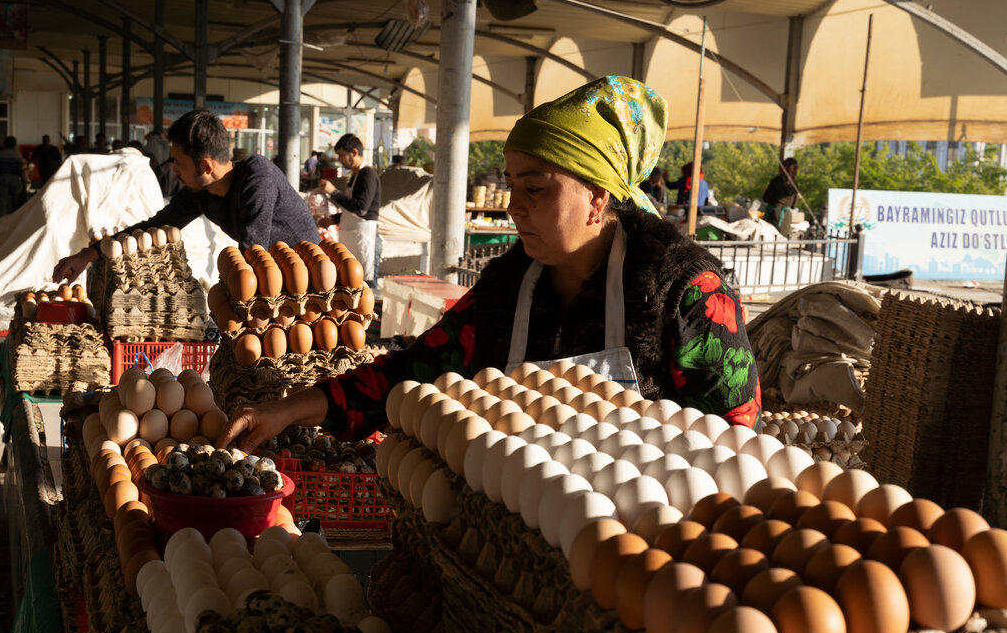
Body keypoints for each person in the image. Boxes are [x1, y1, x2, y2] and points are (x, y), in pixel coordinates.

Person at [218, 76, 760, 453]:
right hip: (513, 541)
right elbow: (413, 370)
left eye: (536, 189)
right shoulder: (511, 288)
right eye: (512, 186)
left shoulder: (685, 294)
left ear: (598, 198)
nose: (514, 206)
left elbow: (730, 443)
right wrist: (288, 409)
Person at [54, 109, 318, 282]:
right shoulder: (199, 192)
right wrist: (86, 255)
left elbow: (252, 252)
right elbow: (153, 226)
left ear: (205, 166)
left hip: (310, 277)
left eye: (178, 162)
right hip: (274, 277)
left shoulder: (258, 180)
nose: (173, 169)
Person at [318, 134, 381, 288]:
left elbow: (361, 207)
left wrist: (333, 192)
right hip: (352, 237)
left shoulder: (367, 175)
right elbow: (351, 208)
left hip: (364, 239)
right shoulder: (354, 176)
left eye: (341, 155)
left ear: (353, 152)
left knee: (364, 288)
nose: (339, 159)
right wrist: (334, 219)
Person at [763, 157, 799, 231]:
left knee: (771, 238)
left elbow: (766, 198)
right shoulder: (795, 185)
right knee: (783, 239)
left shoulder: (775, 181)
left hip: (773, 215)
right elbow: (794, 205)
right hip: (786, 217)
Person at [0, 136, 26, 216]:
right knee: (15, 200)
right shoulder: (17, 154)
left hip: (3, 177)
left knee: (2, 202)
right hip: (14, 178)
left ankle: (1, 219)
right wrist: (23, 182)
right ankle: (14, 219)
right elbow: (20, 170)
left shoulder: (1, 154)